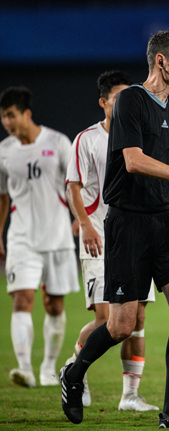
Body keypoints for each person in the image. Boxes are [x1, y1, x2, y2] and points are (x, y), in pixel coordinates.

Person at [59, 30, 169, 428]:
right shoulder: (131, 100)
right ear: (162, 61)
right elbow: (135, 161)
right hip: (127, 222)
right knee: (121, 325)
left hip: (164, 219)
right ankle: (73, 374)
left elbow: (163, 164)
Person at [65, 70, 158, 412]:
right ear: (104, 103)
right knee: (108, 319)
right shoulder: (86, 139)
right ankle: (75, 371)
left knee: (138, 319)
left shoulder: (140, 136)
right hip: (99, 238)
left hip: (134, 237)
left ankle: (130, 396)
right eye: (118, 99)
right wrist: (85, 224)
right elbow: (73, 185)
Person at [0, 86, 78, 389]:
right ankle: (24, 368)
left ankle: (47, 366)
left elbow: (75, 185)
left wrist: (79, 220)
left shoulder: (58, 142)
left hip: (57, 237)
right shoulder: (4, 151)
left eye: (11, 115)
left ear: (26, 114)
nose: (7, 122)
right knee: (22, 299)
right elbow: (3, 198)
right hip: (22, 238)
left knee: (54, 306)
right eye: (4, 117)